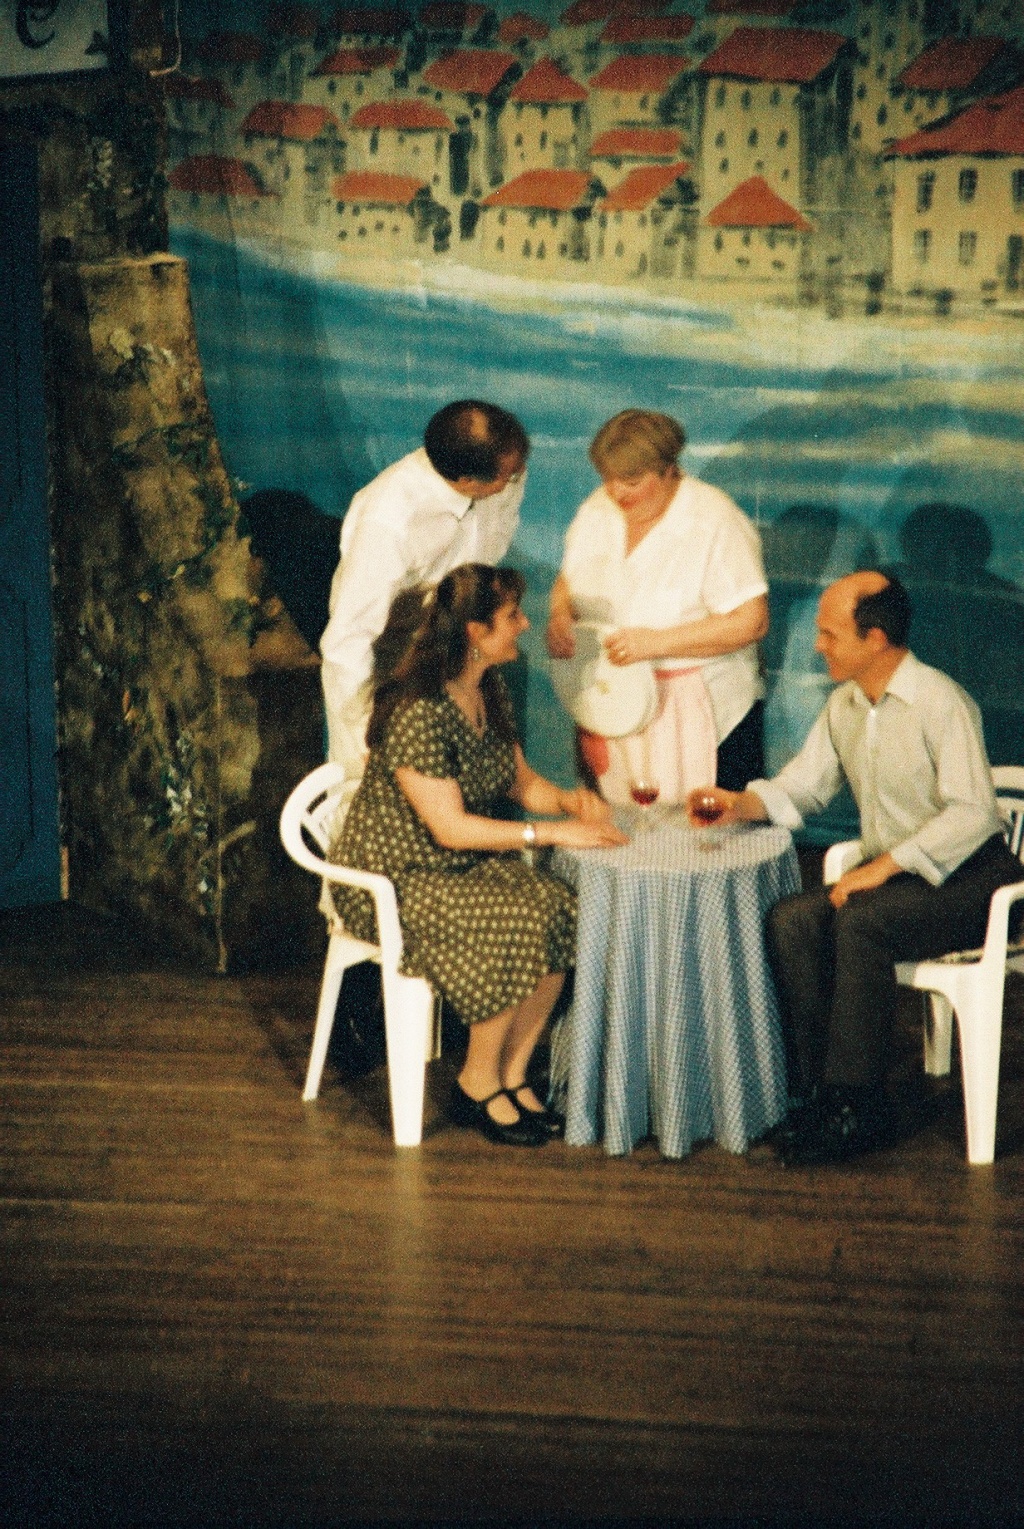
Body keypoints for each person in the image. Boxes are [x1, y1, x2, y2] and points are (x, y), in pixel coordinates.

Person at [686, 570, 1023, 1166]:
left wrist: (885, 865)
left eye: (830, 634)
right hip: (901, 881)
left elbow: (973, 813)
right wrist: (738, 803)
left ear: (875, 640)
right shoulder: (844, 705)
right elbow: (805, 786)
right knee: (792, 920)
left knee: (862, 921)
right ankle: (818, 1093)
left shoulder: (941, 701)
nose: (818, 646)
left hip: (974, 880)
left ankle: (858, 1105)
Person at [329, 563, 628, 1147]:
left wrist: (569, 803)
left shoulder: (485, 690)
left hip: (453, 868)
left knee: (562, 907)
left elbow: (521, 783)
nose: (524, 624)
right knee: (514, 919)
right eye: (512, 616)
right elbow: (450, 830)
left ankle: (512, 1074)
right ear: (475, 631)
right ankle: (476, 1080)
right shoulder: (418, 710)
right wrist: (551, 835)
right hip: (396, 876)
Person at [546, 409, 769, 805]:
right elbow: (569, 579)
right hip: (611, 702)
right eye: (608, 479)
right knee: (617, 826)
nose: (617, 493)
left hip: (705, 716)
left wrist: (655, 643)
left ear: (669, 470)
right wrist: (560, 614)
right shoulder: (597, 509)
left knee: (704, 832)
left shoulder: (714, 520)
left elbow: (751, 622)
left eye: (632, 481)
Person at [320, 400, 529, 779]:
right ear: (467, 481)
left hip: (447, 657)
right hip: (385, 668)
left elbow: (491, 544)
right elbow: (348, 642)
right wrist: (370, 731)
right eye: (507, 477)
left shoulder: (504, 472)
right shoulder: (389, 521)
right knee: (383, 798)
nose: (517, 478)